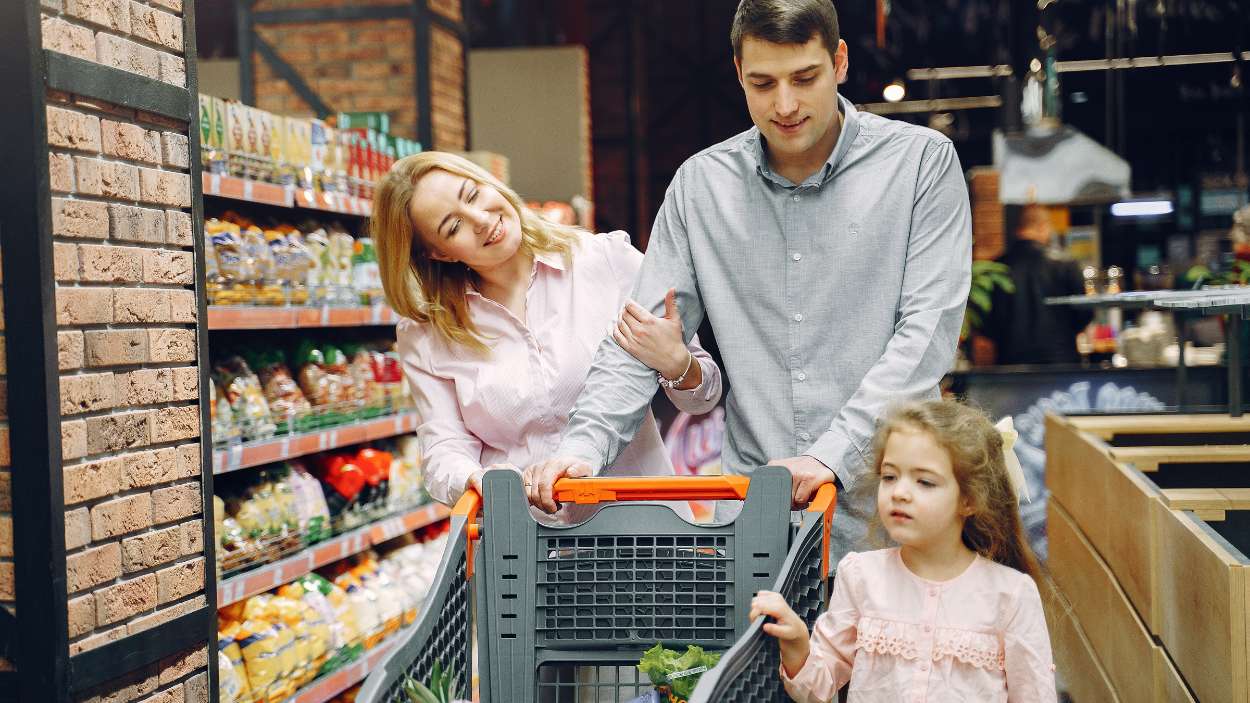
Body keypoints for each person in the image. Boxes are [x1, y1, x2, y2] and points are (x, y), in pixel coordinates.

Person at [525, 0, 972, 558]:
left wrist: (830, 456)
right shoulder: (701, 186)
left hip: (891, 509)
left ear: (840, 61)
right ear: (738, 74)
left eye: (804, 79)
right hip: (756, 517)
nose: (784, 105)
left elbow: (925, 336)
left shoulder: (920, 165)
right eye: (762, 84)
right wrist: (582, 447)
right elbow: (639, 340)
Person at [371, 151, 722, 523]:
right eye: (452, 226)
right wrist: (478, 480)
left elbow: (704, 396)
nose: (480, 220)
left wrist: (677, 364)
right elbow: (443, 447)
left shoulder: (605, 262)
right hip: (526, 549)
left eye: (472, 195)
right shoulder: (427, 335)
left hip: (642, 533)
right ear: (438, 253)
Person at [749, 399, 1056, 702]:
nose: (900, 493)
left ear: (970, 500)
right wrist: (798, 644)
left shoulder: (1011, 595)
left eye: (924, 481)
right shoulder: (860, 576)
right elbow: (817, 689)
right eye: (890, 476)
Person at [983, 204, 1093, 365]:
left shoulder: (995, 268)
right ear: (1043, 226)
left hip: (1010, 365)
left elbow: (985, 324)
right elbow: (1084, 313)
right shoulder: (1066, 264)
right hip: (1061, 362)